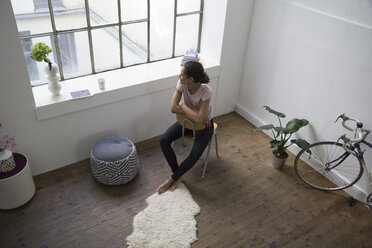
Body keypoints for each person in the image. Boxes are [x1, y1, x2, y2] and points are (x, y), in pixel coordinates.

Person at [157, 60, 214, 193]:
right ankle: (177, 174)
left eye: (182, 75)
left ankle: (171, 179)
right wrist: (195, 113)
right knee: (164, 140)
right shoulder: (182, 84)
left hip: (205, 126)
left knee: (194, 154)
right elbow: (172, 108)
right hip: (188, 121)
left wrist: (182, 105)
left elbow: (200, 119)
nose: (179, 76)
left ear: (191, 79)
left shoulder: (206, 91)